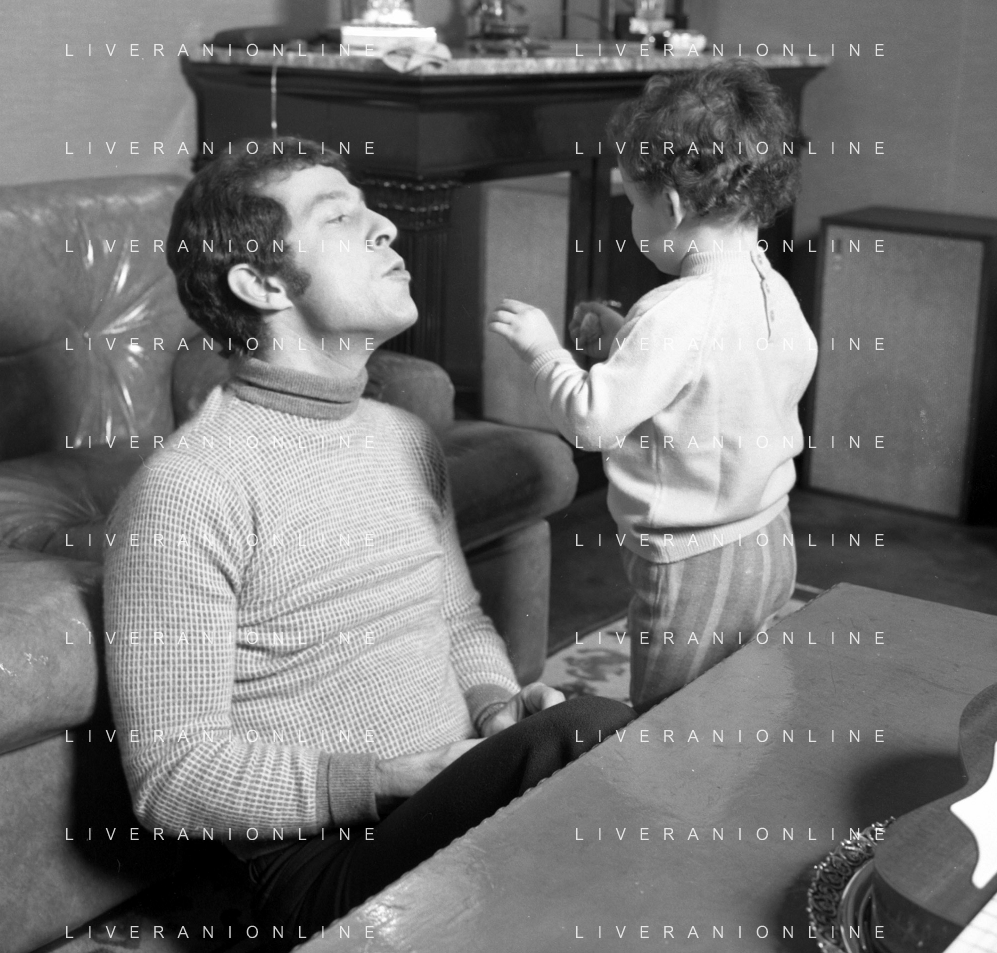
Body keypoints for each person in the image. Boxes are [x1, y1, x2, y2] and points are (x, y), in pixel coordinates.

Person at [103, 137, 633, 949]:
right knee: (586, 734)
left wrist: (496, 709)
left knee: (617, 754)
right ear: (261, 283)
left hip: (440, 799)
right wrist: (386, 780)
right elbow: (170, 778)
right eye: (339, 217)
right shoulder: (188, 490)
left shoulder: (403, 437)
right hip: (320, 868)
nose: (384, 225)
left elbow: (455, 621)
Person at [490, 61, 818, 713]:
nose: (633, 220)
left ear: (668, 207)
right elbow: (718, 380)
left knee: (668, 721)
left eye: (633, 204)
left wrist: (543, 352)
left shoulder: (673, 311)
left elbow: (591, 421)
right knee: (737, 695)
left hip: (695, 561)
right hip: (769, 537)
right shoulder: (769, 286)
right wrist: (624, 343)